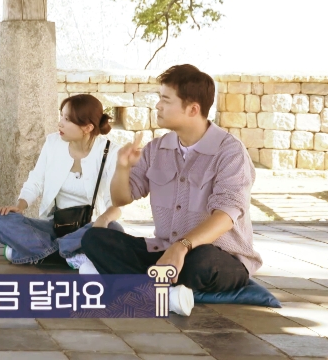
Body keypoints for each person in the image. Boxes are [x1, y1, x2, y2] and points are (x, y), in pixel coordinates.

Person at [81, 64, 262, 317]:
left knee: (201, 262)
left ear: (193, 109)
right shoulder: (156, 149)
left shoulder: (230, 152)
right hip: (164, 252)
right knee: (94, 238)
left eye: (165, 100)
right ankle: (165, 295)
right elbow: (122, 198)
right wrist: (122, 167)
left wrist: (182, 246)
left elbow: (225, 215)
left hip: (219, 257)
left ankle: (126, 284)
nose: (158, 106)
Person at [0, 94, 123, 270]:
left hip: (87, 229)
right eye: (61, 116)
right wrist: (20, 205)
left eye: (67, 119)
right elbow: (36, 180)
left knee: (114, 228)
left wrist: (103, 220)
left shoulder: (110, 152)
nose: (60, 123)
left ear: (87, 127)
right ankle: (70, 254)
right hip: (53, 226)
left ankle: (31, 252)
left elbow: (115, 204)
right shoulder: (53, 142)